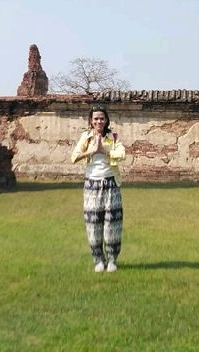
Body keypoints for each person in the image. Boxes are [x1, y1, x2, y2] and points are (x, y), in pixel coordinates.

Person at [71, 105, 126, 272]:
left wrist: (105, 150)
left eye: (102, 118)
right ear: (90, 121)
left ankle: (112, 260)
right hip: (92, 185)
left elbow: (122, 154)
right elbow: (73, 157)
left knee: (112, 223)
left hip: (111, 183)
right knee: (93, 223)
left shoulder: (113, 137)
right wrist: (91, 151)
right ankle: (98, 260)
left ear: (106, 120)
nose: (99, 121)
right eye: (95, 118)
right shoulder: (85, 137)